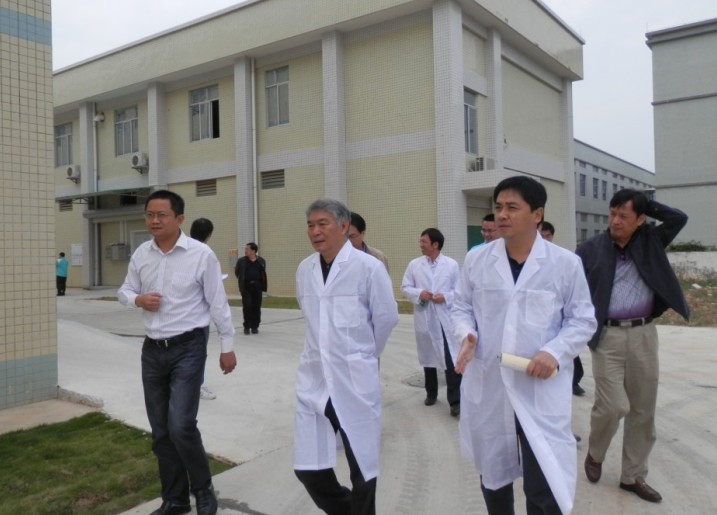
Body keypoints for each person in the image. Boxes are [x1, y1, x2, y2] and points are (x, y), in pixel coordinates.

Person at [452, 176, 596, 515]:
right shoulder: (477, 260)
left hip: (538, 388)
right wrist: (467, 334)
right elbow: (460, 307)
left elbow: (582, 320)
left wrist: (553, 353)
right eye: (498, 207)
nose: (502, 214)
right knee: (494, 477)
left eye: (512, 207)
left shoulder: (564, 263)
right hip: (491, 384)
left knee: (543, 482)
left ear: (537, 214)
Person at [118, 190, 236, 515]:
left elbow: (218, 303)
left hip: (188, 348)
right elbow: (125, 290)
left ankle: (203, 490)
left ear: (179, 218)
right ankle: (175, 499)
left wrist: (227, 346)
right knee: (161, 431)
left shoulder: (201, 255)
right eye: (149, 215)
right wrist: (138, 300)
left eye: (162, 215)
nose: (154, 221)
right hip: (152, 350)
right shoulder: (142, 254)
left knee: (181, 425)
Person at [576, 189, 689, 504]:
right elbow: (572, 289)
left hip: (643, 335)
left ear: (640, 219)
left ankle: (633, 476)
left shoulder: (650, 240)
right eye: (612, 213)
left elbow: (678, 218)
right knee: (613, 406)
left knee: (642, 409)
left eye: (623, 215)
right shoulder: (589, 249)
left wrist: (644, 203)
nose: (615, 221)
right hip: (607, 337)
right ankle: (596, 453)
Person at [294, 198, 398, 515]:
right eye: (310, 225)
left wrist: (363, 354)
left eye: (322, 223)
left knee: (362, 468)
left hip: (354, 381)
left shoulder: (368, 268)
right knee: (308, 468)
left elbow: (386, 318)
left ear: (343, 225)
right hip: (315, 381)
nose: (315, 231)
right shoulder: (305, 269)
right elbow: (308, 314)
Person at [401, 228, 462, 417]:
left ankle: (455, 401)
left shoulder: (451, 265)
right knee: (428, 358)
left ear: (435, 244)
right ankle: (431, 393)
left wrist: (445, 297)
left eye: (424, 241)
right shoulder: (414, 264)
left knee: (451, 359)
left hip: (444, 318)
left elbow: (459, 291)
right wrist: (420, 293)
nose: (420, 245)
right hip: (425, 316)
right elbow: (405, 287)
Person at [539, 221, 585, 397]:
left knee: (565, 352)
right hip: (539, 321)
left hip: (559, 319)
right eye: (542, 235)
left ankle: (575, 381)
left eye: (548, 235)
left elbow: (581, 316)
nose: (545, 239)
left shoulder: (563, 260)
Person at [189, 218, 218, 402]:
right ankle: (196, 387)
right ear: (209, 235)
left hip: (180, 315)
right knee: (198, 354)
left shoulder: (180, 251)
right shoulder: (205, 253)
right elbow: (214, 292)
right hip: (198, 316)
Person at [234, 242, 267, 335]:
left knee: (256, 307)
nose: (245, 251)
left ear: (253, 251)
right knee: (247, 306)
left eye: (247, 249)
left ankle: (255, 326)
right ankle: (247, 327)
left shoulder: (261, 261)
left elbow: (263, 273)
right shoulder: (241, 261)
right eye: (245, 249)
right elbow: (237, 272)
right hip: (246, 287)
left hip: (257, 287)